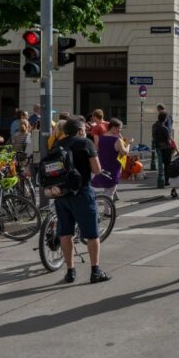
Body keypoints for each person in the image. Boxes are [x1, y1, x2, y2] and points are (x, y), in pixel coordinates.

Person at [54, 116, 111, 284]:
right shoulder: (86, 144)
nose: (86, 132)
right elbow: (96, 169)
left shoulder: (58, 144)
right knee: (92, 234)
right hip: (82, 192)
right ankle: (96, 271)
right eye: (84, 130)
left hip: (61, 194)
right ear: (80, 131)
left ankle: (70, 272)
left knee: (65, 233)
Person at [91, 118, 131, 200]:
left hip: (104, 164)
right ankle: (108, 212)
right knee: (110, 191)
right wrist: (129, 144)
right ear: (114, 127)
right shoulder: (117, 140)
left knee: (107, 188)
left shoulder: (102, 137)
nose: (120, 130)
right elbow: (125, 152)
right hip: (114, 167)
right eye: (120, 128)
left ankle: (107, 209)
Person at [152, 111, 174, 186]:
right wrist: (171, 144)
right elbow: (168, 140)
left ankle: (161, 178)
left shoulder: (154, 126)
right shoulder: (164, 128)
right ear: (165, 119)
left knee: (160, 164)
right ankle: (166, 181)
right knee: (167, 165)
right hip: (166, 148)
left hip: (158, 147)